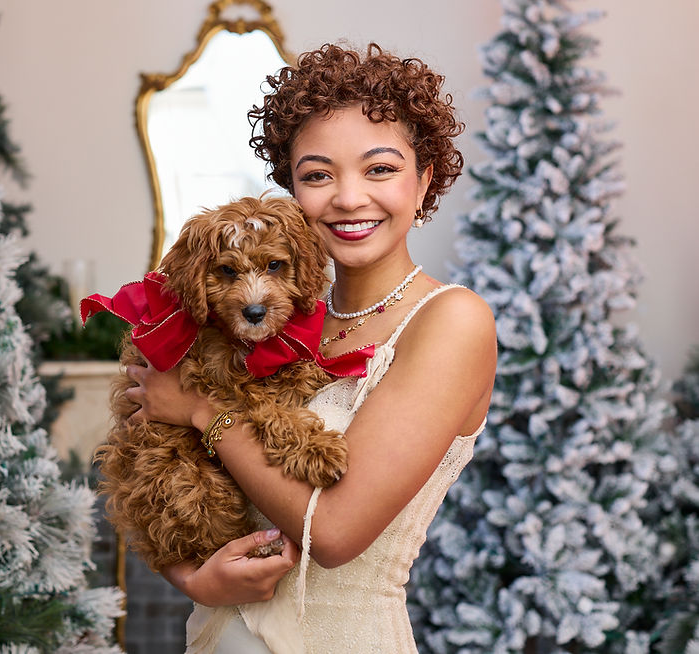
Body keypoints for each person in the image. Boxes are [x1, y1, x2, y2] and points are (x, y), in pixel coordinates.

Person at [124, 42, 497, 653]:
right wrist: (192, 577)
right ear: (290, 194)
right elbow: (160, 471)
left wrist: (200, 410)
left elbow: (336, 532)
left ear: (424, 178)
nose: (349, 198)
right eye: (318, 175)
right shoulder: (269, 322)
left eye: (380, 168)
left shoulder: (450, 320)